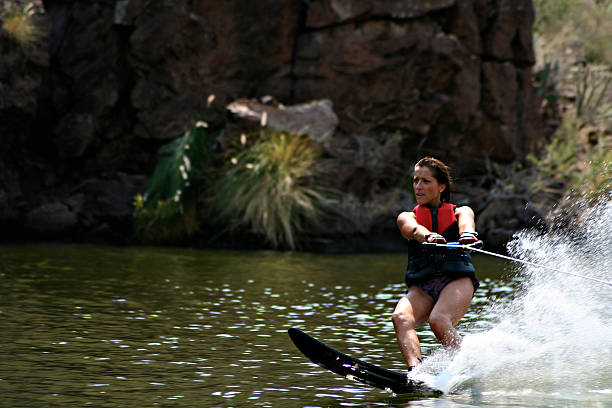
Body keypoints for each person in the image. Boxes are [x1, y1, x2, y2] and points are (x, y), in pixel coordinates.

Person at [393, 157, 480, 372]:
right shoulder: (407, 216)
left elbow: (467, 223)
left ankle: (469, 368)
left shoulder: (461, 211)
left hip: (456, 281)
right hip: (423, 286)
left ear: (441, 186)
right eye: (416, 180)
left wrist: (467, 235)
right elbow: (411, 229)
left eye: (425, 181)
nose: (418, 186)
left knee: (438, 319)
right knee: (400, 317)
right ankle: (416, 372)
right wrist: (428, 235)